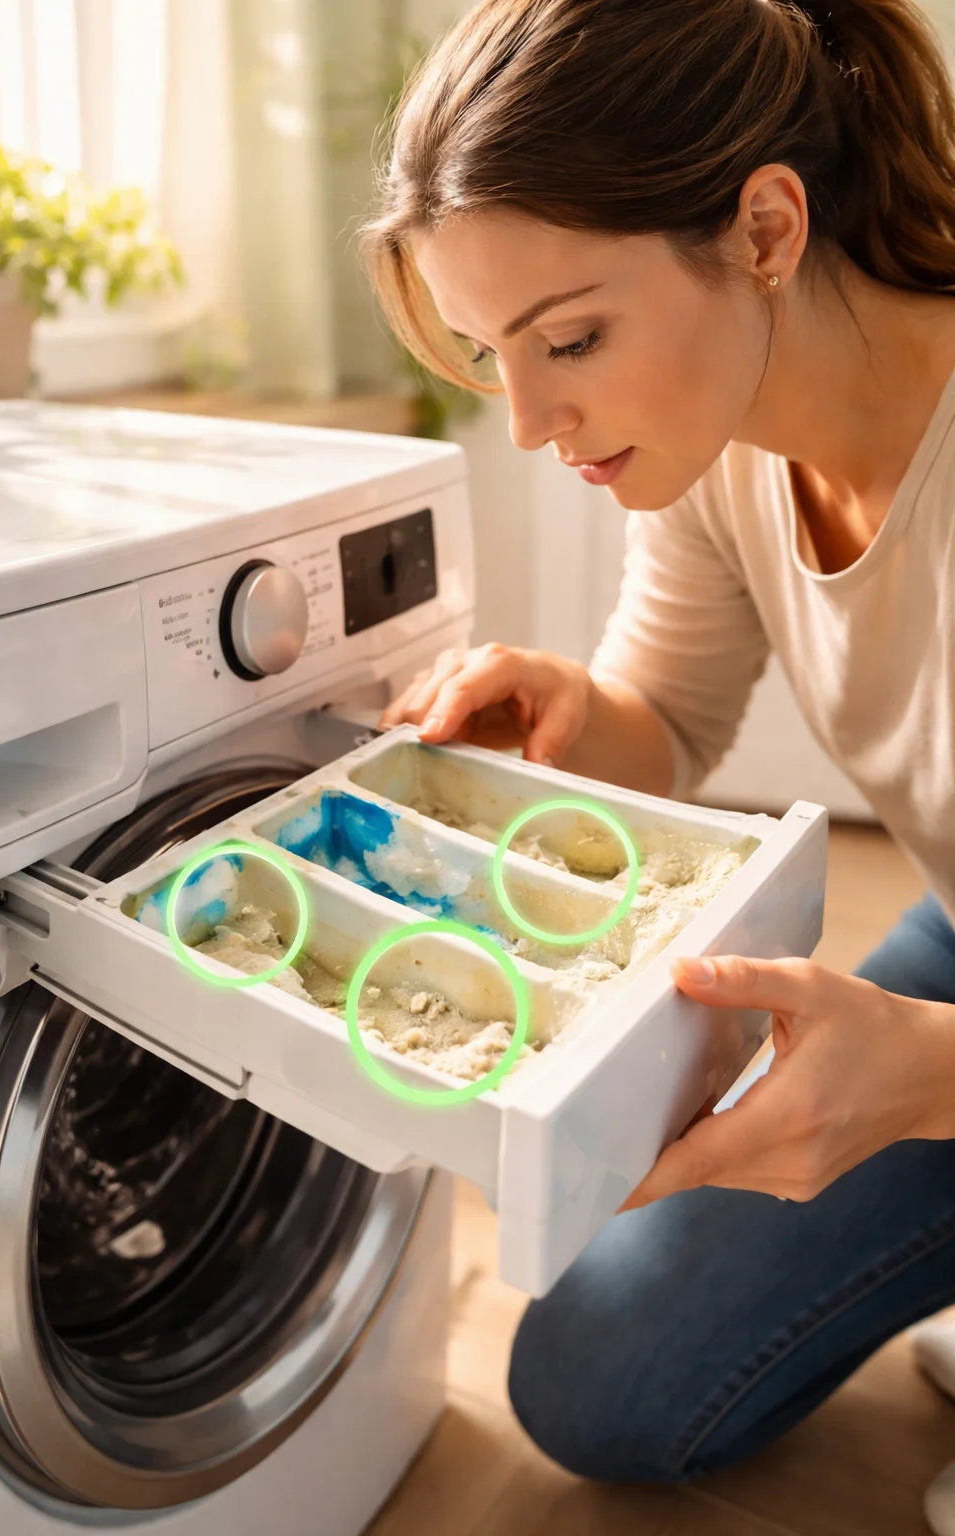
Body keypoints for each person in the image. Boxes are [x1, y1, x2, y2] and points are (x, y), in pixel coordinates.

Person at [361, 0, 955, 1528]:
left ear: (765, 228)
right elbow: (668, 719)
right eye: (496, 354)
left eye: (571, 340)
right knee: (597, 1378)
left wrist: (930, 1074)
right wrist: (571, 710)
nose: (531, 419)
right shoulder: (724, 446)